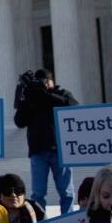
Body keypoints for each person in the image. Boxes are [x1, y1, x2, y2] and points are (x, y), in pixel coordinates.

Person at [13, 68, 78, 213]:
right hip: (38, 151)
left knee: (66, 192)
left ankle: (67, 221)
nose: (42, 85)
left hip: (61, 150)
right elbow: (19, 121)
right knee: (38, 193)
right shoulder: (31, 98)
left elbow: (72, 106)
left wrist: (46, 94)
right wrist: (26, 96)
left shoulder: (61, 94)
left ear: (51, 82)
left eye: (44, 82)